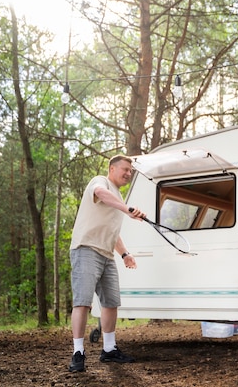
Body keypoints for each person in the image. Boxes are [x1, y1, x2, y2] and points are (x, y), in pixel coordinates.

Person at [68, 155, 145, 372]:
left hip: (107, 254)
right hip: (86, 249)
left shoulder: (118, 196)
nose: (129, 173)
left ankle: (109, 350)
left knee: (111, 302)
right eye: (125, 169)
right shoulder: (99, 181)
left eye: (131, 171)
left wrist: (124, 254)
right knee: (83, 302)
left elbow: (113, 232)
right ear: (112, 168)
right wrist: (127, 208)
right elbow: (100, 194)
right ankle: (78, 352)